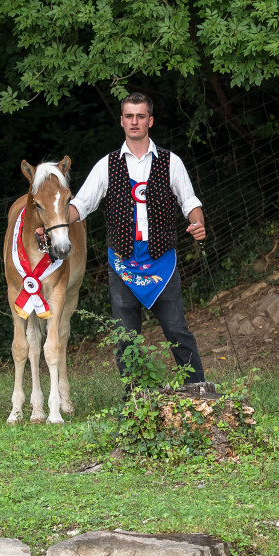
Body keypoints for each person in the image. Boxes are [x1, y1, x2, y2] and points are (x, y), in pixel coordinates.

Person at [67, 92, 208, 386]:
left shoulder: (171, 162)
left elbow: (190, 202)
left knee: (177, 331)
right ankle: (134, 400)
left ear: (150, 121)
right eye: (129, 116)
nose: (135, 121)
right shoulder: (107, 165)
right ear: (121, 121)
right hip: (122, 265)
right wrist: (52, 223)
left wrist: (197, 223)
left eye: (140, 116)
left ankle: (197, 390)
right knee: (126, 338)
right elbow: (80, 205)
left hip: (161, 263)